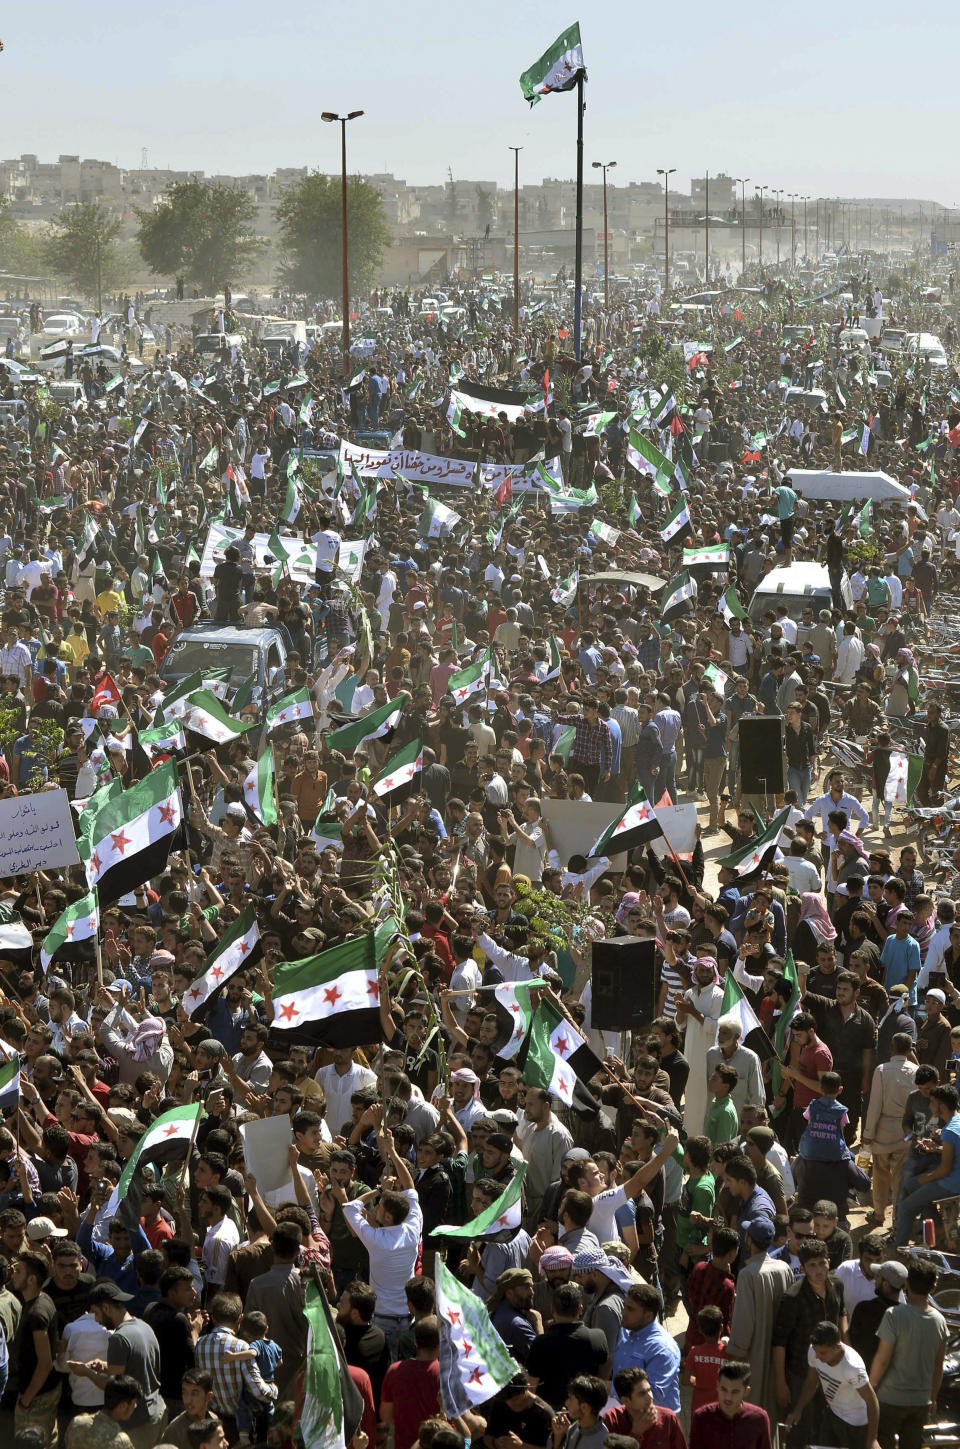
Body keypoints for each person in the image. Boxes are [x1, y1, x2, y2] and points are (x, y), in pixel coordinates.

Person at [870, 1256, 948, 1449]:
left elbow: (882, 1359)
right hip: (920, 1402)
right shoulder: (939, 1321)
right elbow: (938, 1366)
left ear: (907, 1283)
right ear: (933, 1287)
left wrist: (870, 1388)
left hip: (889, 1399)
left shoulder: (894, 1315)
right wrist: (933, 1397)